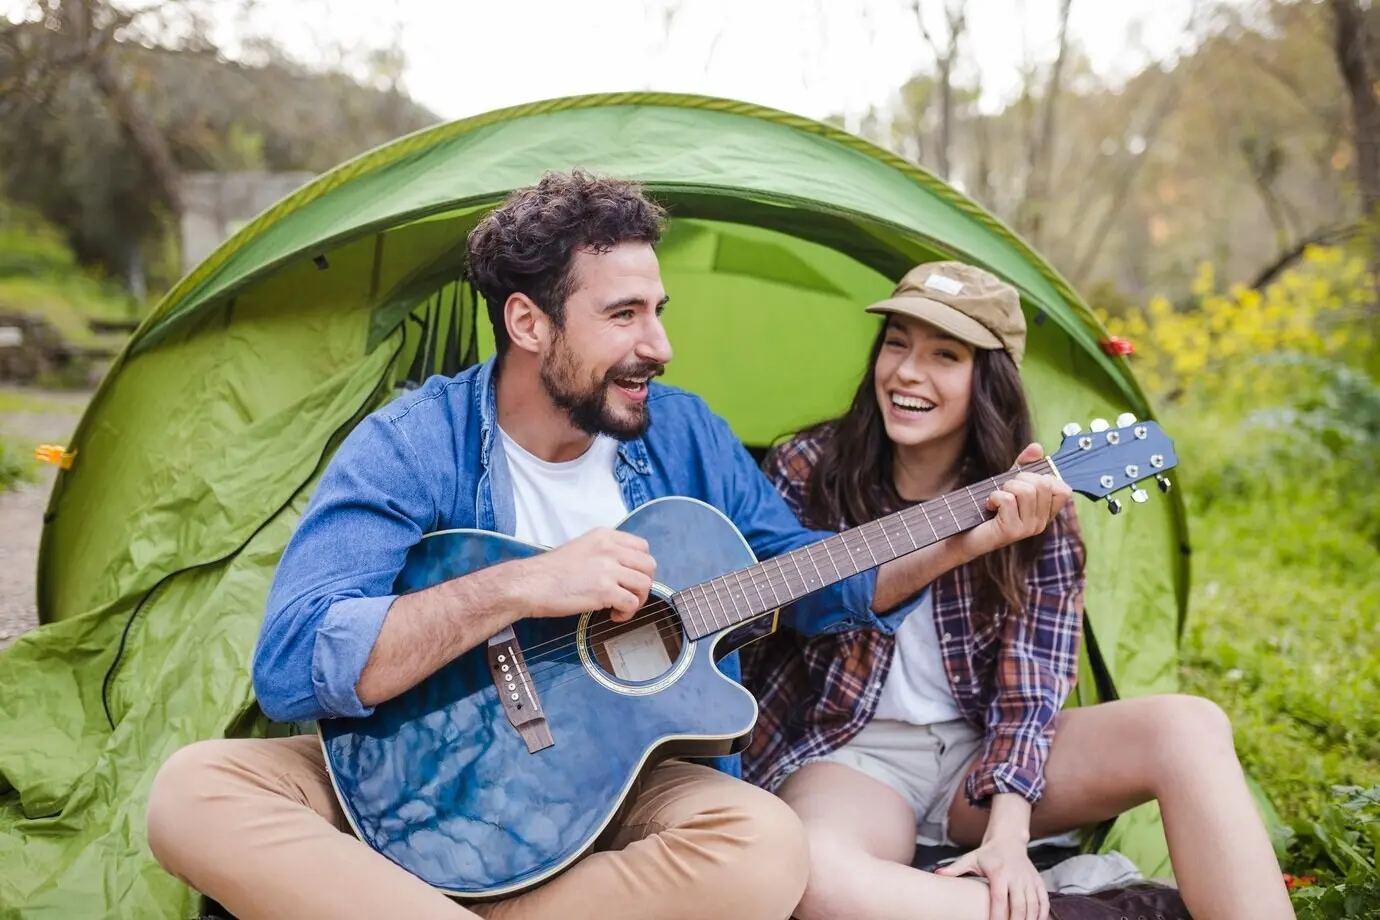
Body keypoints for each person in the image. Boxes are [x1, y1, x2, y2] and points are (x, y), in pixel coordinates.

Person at [141, 172, 1068, 920]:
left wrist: (963, 536)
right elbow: (296, 662)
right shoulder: (412, 443)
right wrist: (522, 586)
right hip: (410, 776)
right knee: (194, 792)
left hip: (613, 795)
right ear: (529, 322)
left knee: (764, 845)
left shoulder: (683, 436)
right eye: (624, 315)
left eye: (658, 311)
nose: (659, 345)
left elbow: (810, 575)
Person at [738, 262, 1297, 920]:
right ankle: (1090, 912)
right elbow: (774, 620)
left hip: (985, 750)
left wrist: (1009, 833)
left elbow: (1031, 686)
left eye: (944, 355)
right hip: (853, 756)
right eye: (897, 343)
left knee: (1189, 726)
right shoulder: (810, 468)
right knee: (811, 875)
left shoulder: (1035, 497)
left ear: (989, 379)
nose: (908, 373)